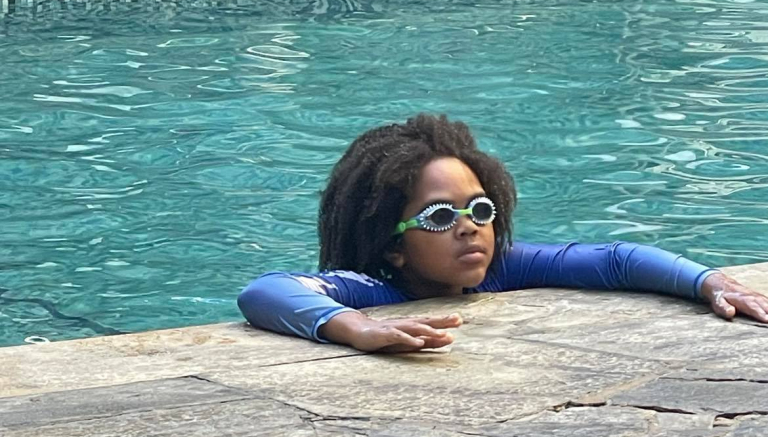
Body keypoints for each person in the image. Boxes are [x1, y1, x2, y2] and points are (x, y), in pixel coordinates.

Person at [237, 114, 768, 352]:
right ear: (393, 245)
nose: (470, 229)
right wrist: (353, 327)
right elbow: (263, 291)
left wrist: (709, 283)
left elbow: (614, 260)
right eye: (441, 217)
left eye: (482, 210)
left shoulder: (502, 268)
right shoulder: (371, 288)